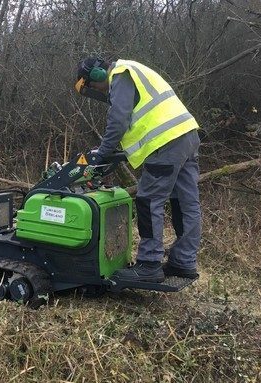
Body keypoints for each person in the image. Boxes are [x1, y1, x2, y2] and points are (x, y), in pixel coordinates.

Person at [75, 57, 201, 283]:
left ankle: (149, 264)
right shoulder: (134, 69)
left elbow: (118, 120)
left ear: (98, 74)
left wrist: (101, 154)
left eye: (92, 85)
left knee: (148, 200)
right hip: (187, 135)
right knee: (185, 202)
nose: (97, 90)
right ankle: (184, 261)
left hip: (165, 142)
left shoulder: (121, 75)